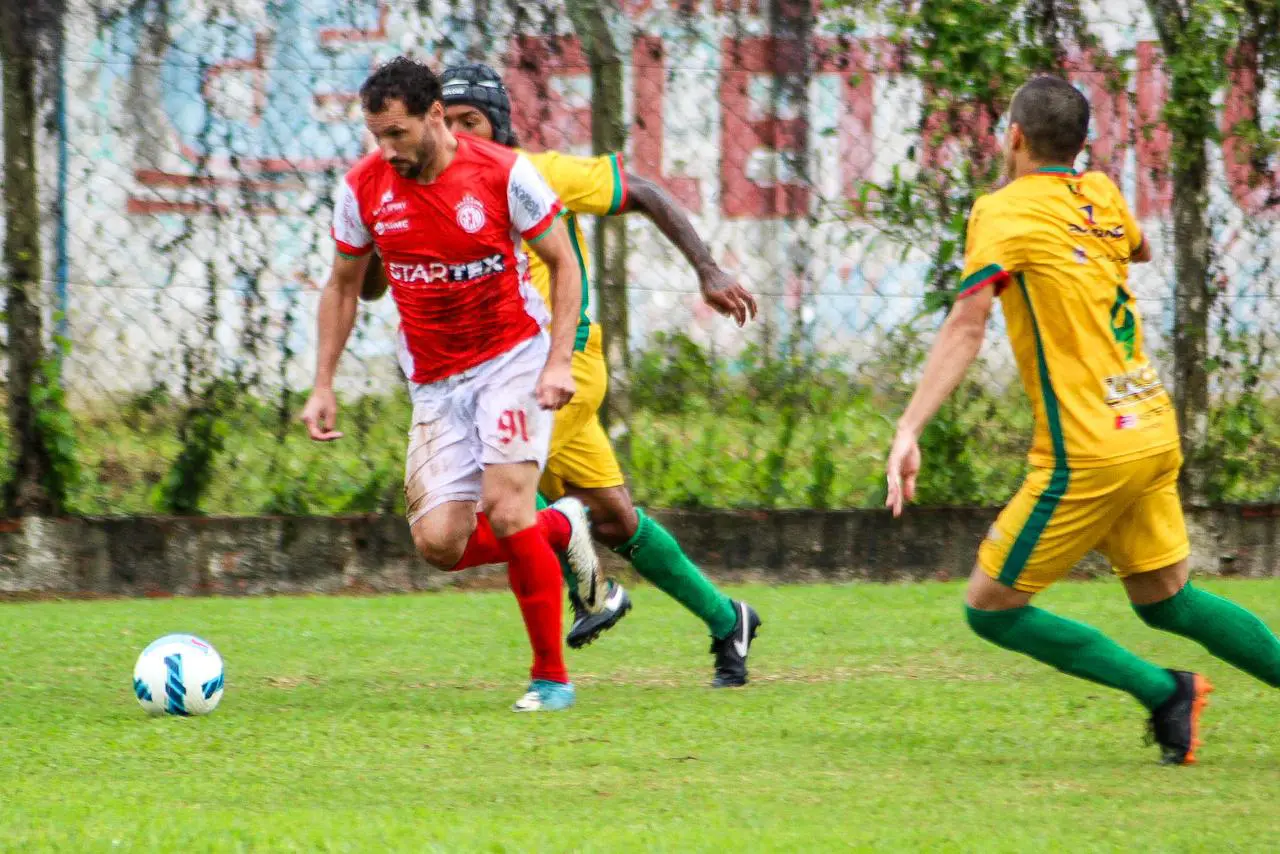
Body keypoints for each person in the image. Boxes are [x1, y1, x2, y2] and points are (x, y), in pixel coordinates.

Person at [884, 75, 1280, 764]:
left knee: (989, 606)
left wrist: (908, 427)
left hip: (1090, 449)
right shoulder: (1099, 192)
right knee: (1167, 601)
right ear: (1081, 146)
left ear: (1012, 137)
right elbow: (1138, 249)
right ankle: (1172, 698)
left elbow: (967, 325)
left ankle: (1163, 692)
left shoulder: (1001, 213)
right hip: (1148, 424)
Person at [362, 62, 764, 687]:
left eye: (477, 122)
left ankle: (588, 593)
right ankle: (726, 618)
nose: (469, 134)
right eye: (458, 121)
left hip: (562, 362)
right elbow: (370, 279)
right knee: (615, 518)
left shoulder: (538, 174)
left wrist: (709, 271)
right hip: (491, 371)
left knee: (509, 500)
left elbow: (646, 193)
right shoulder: (415, 188)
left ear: (500, 124)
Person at [301, 56, 596, 712]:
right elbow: (345, 284)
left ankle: (551, 679)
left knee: (507, 505)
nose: (387, 149)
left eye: (398, 133)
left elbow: (563, 262)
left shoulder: (502, 173)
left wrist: (556, 361)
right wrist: (323, 383)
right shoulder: (363, 188)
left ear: (435, 115)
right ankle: (560, 528)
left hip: (511, 361)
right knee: (439, 545)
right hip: (434, 381)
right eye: (377, 135)